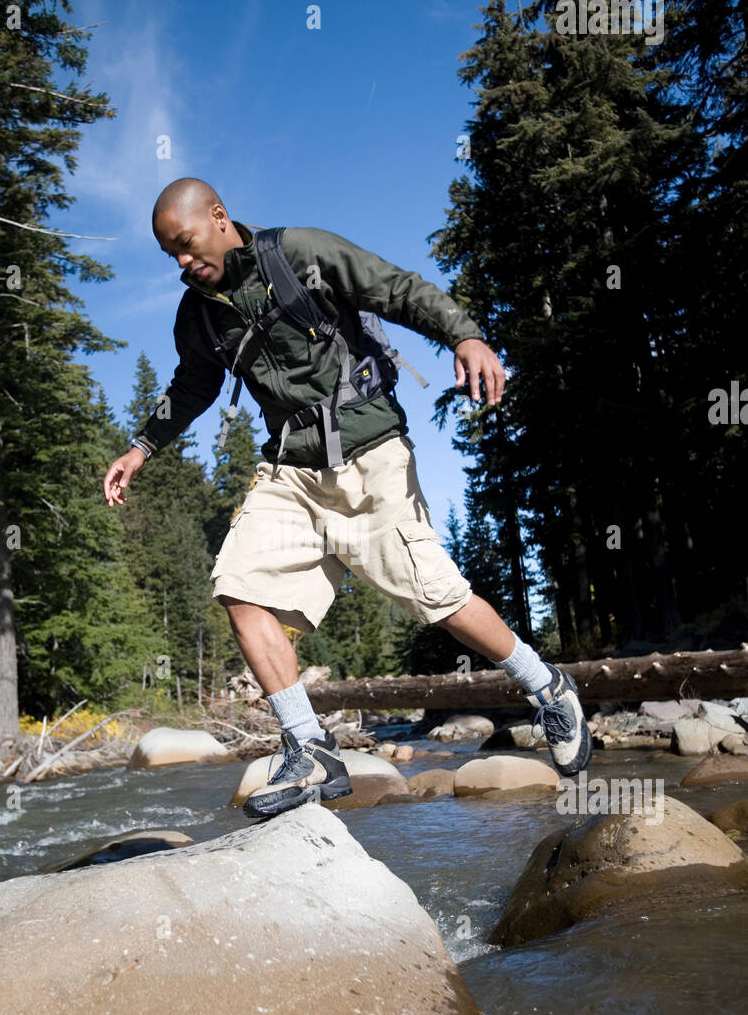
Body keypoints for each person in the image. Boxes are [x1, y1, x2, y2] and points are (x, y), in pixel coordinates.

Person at [104, 178, 592, 821]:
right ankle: (309, 748)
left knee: (440, 599)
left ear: (219, 217)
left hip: (371, 458)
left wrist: (465, 335)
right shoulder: (198, 312)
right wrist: (141, 447)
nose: (182, 262)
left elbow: (396, 287)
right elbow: (191, 384)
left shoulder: (299, 251)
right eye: (170, 254)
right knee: (240, 587)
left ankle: (545, 685)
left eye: (186, 244)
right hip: (289, 470)